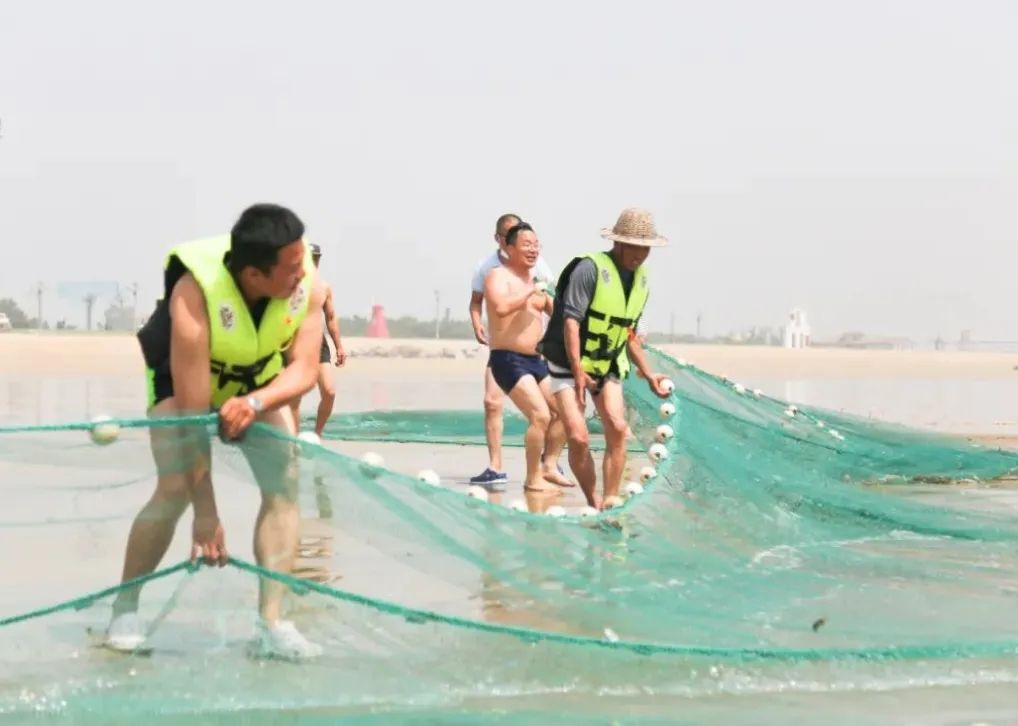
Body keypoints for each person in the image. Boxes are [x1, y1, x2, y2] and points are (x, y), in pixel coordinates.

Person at [105, 203, 327, 659]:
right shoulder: (194, 295)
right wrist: (206, 514)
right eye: (289, 268)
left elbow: (304, 369)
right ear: (253, 274)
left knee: (285, 485)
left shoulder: (308, 282)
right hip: (183, 382)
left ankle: (272, 623)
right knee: (174, 490)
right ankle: (125, 610)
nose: (300, 274)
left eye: (301, 260)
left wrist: (254, 402)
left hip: (257, 383)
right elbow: (191, 415)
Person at [537, 208, 672, 509]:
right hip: (566, 365)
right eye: (635, 247)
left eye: (646, 248)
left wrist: (649, 375)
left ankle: (610, 499)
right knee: (579, 436)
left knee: (618, 427)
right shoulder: (589, 269)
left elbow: (629, 334)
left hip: (608, 363)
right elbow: (571, 322)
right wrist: (578, 372)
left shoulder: (642, 280)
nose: (640, 255)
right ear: (618, 243)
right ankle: (592, 499)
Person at [468, 213, 567, 489]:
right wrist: (530, 292)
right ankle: (531, 477)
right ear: (507, 247)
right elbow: (498, 308)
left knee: (566, 414)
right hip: (507, 359)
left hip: (537, 360)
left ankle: (549, 464)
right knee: (540, 415)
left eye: (536, 244)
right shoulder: (495, 275)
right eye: (526, 244)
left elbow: (560, 315)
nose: (533, 249)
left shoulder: (538, 279)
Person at [289, 242, 346, 438]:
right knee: (294, 395)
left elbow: (330, 318)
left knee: (329, 392)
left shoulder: (324, 287)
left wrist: (339, 346)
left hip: (317, 342)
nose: (314, 263)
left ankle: (317, 434)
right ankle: (292, 437)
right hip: (292, 342)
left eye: (317, 259)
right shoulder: (290, 284)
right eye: (310, 259)